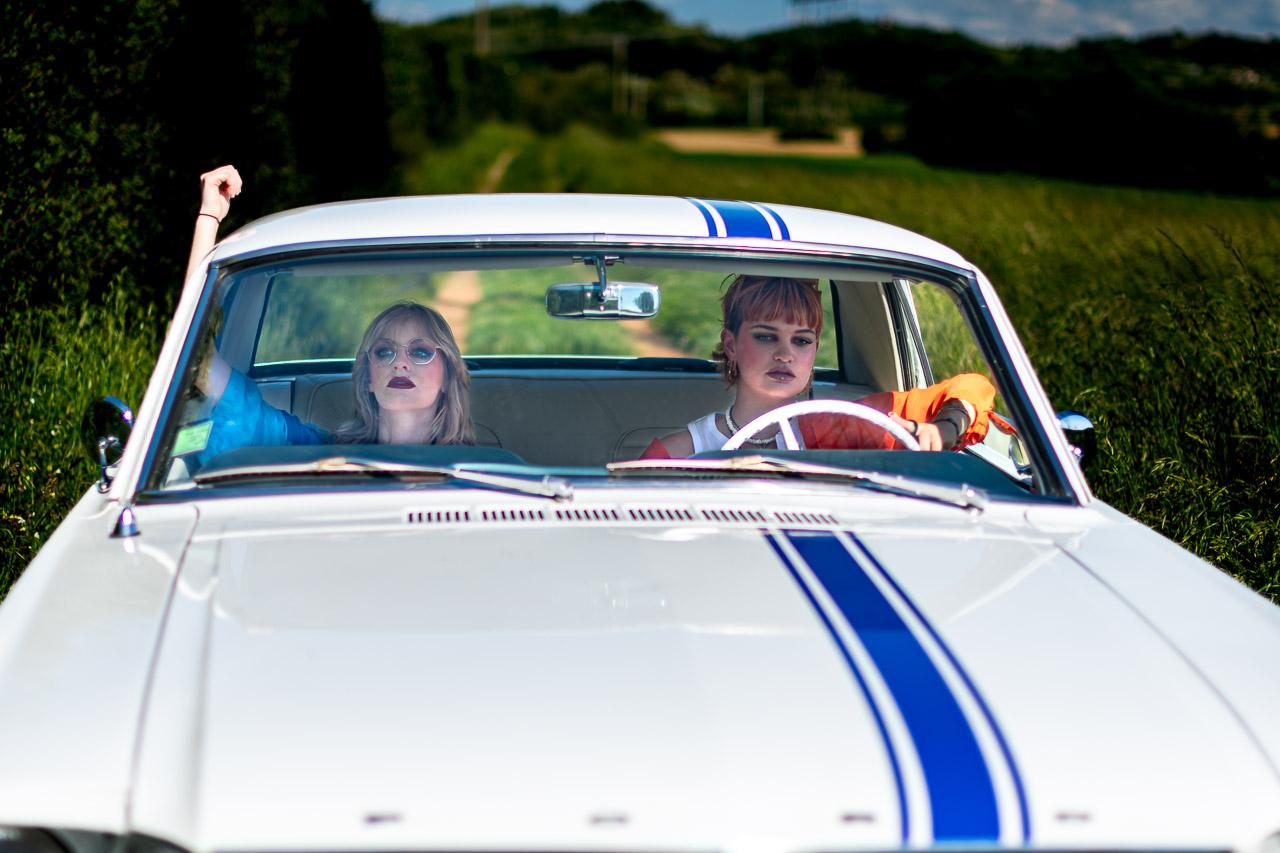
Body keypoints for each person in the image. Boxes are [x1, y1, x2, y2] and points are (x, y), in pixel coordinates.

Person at [185, 166, 474, 464]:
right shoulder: (319, 449)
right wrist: (209, 218)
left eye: (421, 351)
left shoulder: (486, 474)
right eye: (384, 351)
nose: (400, 362)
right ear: (368, 380)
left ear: (448, 375)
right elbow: (196, 357)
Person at [641, 275, 995, 458]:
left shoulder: (838, 427)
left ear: (814, 352)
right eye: (766, 337)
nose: (785, 354)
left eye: (802, 340)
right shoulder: (676, 452)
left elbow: (971, 386)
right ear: (731, 344)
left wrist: (944, 429)